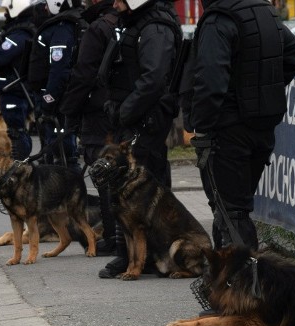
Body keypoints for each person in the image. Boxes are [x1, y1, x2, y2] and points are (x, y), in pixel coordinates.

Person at [182, 0, 295, 250]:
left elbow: (210, 81)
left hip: (228, 130)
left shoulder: (218, 19)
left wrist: (201, 126)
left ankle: (243, 283)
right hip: (261, 127)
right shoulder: (265, 11)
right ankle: (226, 280)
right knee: (233, 208)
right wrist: (262, 91)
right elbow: (294, 56)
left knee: (231, 213)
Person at [96, 0, 182, 277]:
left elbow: (153, 79)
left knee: (143, 192)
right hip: (132, 117)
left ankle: (145, 257)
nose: (115, 3)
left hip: (145, 121)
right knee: (126, 190)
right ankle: (133, 255)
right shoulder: (134, 22)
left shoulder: (155, 26)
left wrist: (125, 111)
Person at [60, 0, 118, 255]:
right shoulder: (125, 23)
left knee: (104, 175)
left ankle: (113, 237)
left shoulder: (98, 28)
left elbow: (83, 75)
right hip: (124, 109)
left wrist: (68, 111)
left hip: (98, 113)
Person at [27, 0, 85, 169]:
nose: (45, 8)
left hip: (57, 99)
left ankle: (67, 190)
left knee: (62, 152)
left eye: (48, 3)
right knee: (56, 150)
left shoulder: (62, 28)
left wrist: (48, 100)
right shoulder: (73, 23)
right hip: (64, 95)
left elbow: (59, 69)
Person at [0, 0, 37, 159]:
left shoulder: (19, 34)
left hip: (14, 91)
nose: (5, 14)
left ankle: (19, 165)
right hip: (15, 89)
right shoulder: (23, 30)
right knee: (17, 131)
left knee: (16, 132)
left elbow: (1, 57)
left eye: (6, 10)